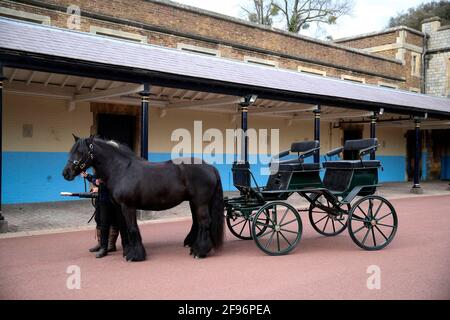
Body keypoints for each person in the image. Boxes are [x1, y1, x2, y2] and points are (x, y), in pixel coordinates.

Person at [81, 171, 119, 258]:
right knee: (98, 219)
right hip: (101, 198)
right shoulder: (99, 168)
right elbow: (96, 180)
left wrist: (99, 188)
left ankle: (111, 245)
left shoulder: (111, 165)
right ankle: (101, 243)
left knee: (113, 221)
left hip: (111, 199)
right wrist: (87, 176)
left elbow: (115, 182)